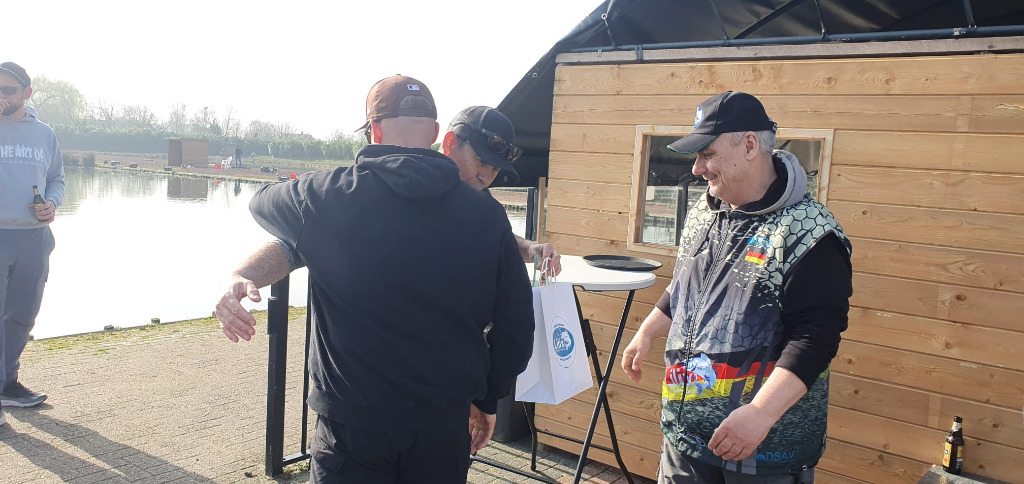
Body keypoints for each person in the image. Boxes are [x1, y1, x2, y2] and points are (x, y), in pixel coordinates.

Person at [215, 75, 535, 483]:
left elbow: (262, 203)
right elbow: (516, 329)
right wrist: (487, 401)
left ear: (374, 131)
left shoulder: (327, 195)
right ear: (436, 135)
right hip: (442, 430)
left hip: (351, 430)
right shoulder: (488, 217)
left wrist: (241, 274)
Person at [620, 91, 852, 483]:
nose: (697, 169)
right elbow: (685, 286)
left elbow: (815, 338)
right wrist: (647, 331)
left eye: (707, 154)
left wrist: (760, 413)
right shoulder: (704, 210)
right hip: (685, 437)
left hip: (763, 449)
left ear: (748, 146)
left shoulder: (810, 233)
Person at [0, 62, 64, 425]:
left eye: (7, 90)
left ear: (26, 93)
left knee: (23, 314)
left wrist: (52, 202)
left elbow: (57, 178)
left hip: (34, 238)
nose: (0, 96)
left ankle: (7, 384)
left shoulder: (45, 134)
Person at [440, 105, 561, 275]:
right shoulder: (411, 191)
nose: (486, 179)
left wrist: (529, 248)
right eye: (481, 162)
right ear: (450, 143)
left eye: (495, 169)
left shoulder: (480, 200)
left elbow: (498, 238)